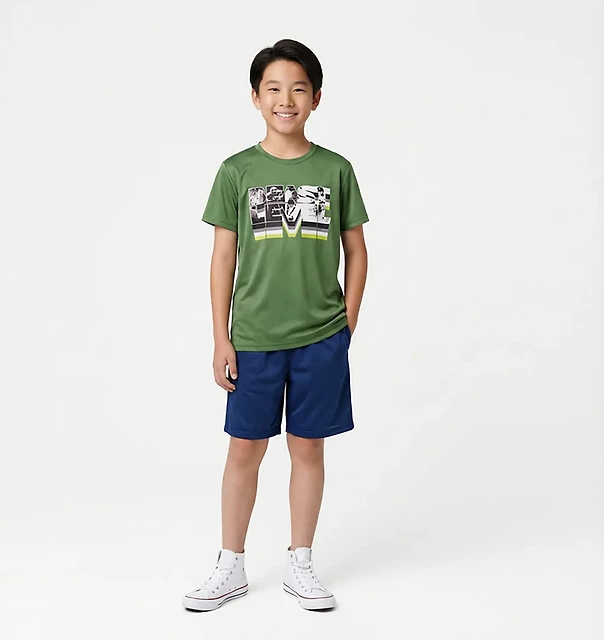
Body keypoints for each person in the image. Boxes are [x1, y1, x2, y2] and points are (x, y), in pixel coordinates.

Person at [182, 38, 369, 612]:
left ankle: (300, 561)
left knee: (308, 448)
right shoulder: (236, 171)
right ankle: (230, 564)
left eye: (298, 89)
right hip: (254, 340)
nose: (286, 99)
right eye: (274, 88)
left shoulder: (335, 170)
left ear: (316, 98)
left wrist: (345, 326)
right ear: (255, 97)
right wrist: (221, 337)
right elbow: (223, 257)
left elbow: (357, 251)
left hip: (320, 339)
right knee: (244, 450)